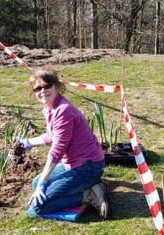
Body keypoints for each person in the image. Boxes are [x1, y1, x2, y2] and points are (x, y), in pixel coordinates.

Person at [16, 69, 108, 218]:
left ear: (57, 87)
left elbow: (57, 151)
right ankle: (91, 185)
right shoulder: (49, 108)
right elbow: (52, 135)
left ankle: (87, 195)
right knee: (35, 183)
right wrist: (28, 142)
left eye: (47, 86)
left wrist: (43, 183)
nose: (43, 91)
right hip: (74, 163)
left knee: (39, 207)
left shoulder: (64, 110)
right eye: (38, 88)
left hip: (88, 166)